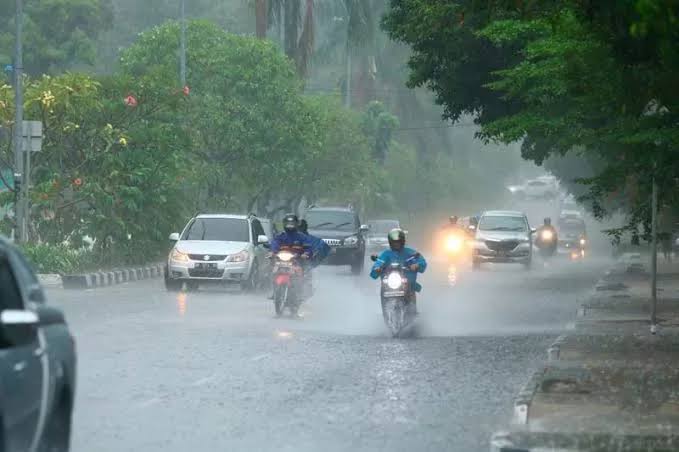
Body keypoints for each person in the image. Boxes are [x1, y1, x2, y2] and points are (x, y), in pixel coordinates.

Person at [370, 228, 427, 314]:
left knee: (411, 289)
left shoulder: (410, 253)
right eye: (394, 242)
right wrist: (377, 268)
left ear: (402, 242)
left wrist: (417, 265)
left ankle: (413, 311)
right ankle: (385, 312)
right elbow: (379, 262)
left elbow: (421, 261)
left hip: (407, 282)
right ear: (390, 242)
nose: (396, 244)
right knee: (383, 288)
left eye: (398, 242)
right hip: (389, 283)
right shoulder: (386, 254)